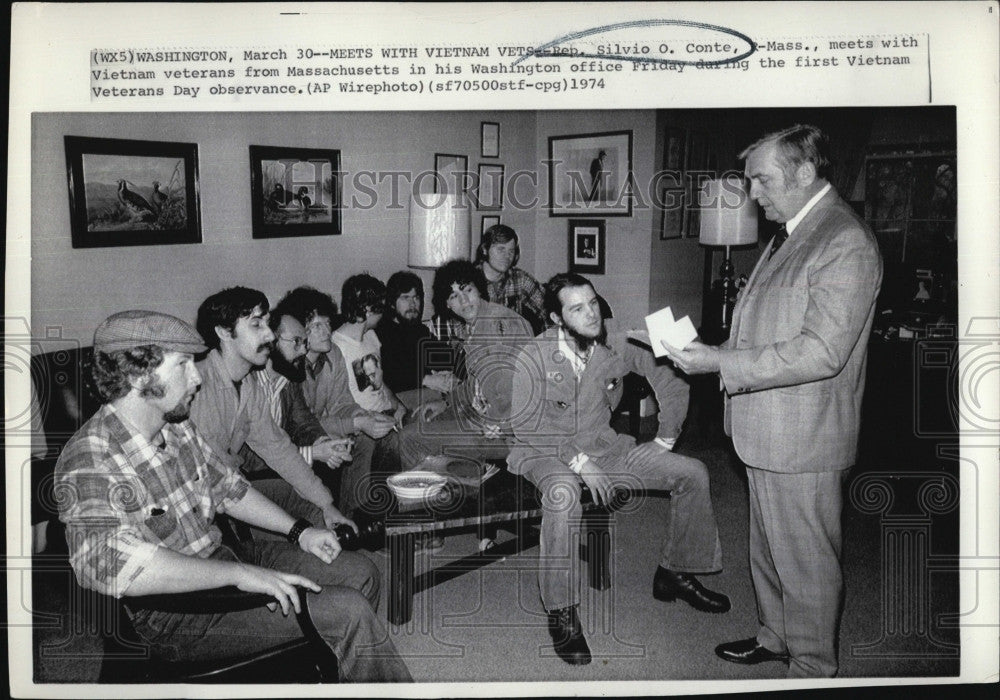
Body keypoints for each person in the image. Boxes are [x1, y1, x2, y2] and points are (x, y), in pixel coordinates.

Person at [54, 310, 411, 682]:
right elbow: (106, 564)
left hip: (224, 556)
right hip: (177, 614)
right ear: (140, 376)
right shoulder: (90, 458)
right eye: (183, 366)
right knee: (347, 610)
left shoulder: (176, 428)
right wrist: (240, 574)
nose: (196, 378)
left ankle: (327, 674)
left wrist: (299, 532)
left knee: (362, 572)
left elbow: (230, 489)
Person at [660, 124, 883, 678]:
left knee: (806, 560)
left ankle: (811, 667)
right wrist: (713, 349)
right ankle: (776, 636)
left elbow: (822, 352)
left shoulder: (843, 240)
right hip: (765, 428)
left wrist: (720, 363)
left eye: (761, 179)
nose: (752, 193)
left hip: (803, 434)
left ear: (805, 174)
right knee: (769, 547)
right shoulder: (791, 232)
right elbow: (765, 323)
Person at [509, 273, 728, 666]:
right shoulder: (533, 355)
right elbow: (525, 425)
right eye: (577, 308)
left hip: (603, 446)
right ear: (557, 319)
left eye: (593, 303)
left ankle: (675, 572)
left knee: (693, 472)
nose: (592, 314)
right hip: (543, 449)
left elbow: (672, 375)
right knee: (563, 493)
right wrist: (579, 463)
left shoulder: (619, 344)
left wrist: (664, 437)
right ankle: (561, 610)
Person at [190, 287, 354, 536]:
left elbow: (276, 446)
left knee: (318, 510)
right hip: (203, 510)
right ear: (224, 332)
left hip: (232, 491)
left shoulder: (248, 383)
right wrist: (298, 530)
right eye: (256, 325)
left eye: (267, 323)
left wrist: (326, 504)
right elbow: (216, 478)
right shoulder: (199, 385)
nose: (269, 335)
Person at [398, 259, 533, 470]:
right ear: (447, 304)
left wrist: (497, 422)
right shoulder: (474, 327)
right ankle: (455, 488)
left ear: (479, 289)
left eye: (467, 290)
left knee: (410, 437)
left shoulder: (499, 324)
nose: (464, 301)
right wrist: (447, 403)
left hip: (509, 433)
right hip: (483, 415)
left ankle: (430, 497)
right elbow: (477, 384)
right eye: (454, 296)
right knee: (415, 418)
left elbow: (512, 384)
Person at [279, 286, 399, 518]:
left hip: (323, 430)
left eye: (327, 323)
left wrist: (363, 416)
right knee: (355, 440)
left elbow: (342, 402)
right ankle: (349, 518)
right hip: (298, 442)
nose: (326, 331)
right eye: (316, 326)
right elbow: (302, 424)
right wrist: (354, 425)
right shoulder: (292, 365)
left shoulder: (332, 354)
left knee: (384, 436)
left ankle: (373, 514)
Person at [239, 302, 354, 479]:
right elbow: (249, 460)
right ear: (271, 341)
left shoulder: (288, 381)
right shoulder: (246, 384)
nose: (303, 350)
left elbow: (304, 422)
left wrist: (325, 443)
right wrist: (313, 453)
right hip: (248, 479)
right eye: (296, 342)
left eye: (305, 343)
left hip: (276, 471)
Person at [374, 271, 455, 408]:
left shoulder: (419, 330)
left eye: (416, 297)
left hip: (425, 396)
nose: (413, 304)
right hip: (396, 402)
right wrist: (426, 379)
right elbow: (388, 375)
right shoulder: (381, 331)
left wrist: (448, 375)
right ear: (392, 303)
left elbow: (446, 356)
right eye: (405, 298)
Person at [332, 274, 406, 423]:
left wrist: (399, 406)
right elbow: (336, 404)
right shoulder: (336, 346)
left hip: (388, 412)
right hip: (366, 422)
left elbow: (380, 382)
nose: (383, 314)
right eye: (381, 307)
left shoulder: (372, 336)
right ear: (368, 309)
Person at [474, 224, 546, 335]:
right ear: (484, 250)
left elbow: (548, 310)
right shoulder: (469, 281)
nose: (507, 256)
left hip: (512, 347)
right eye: (501, 249)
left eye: (511, 251)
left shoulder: (520, 279)